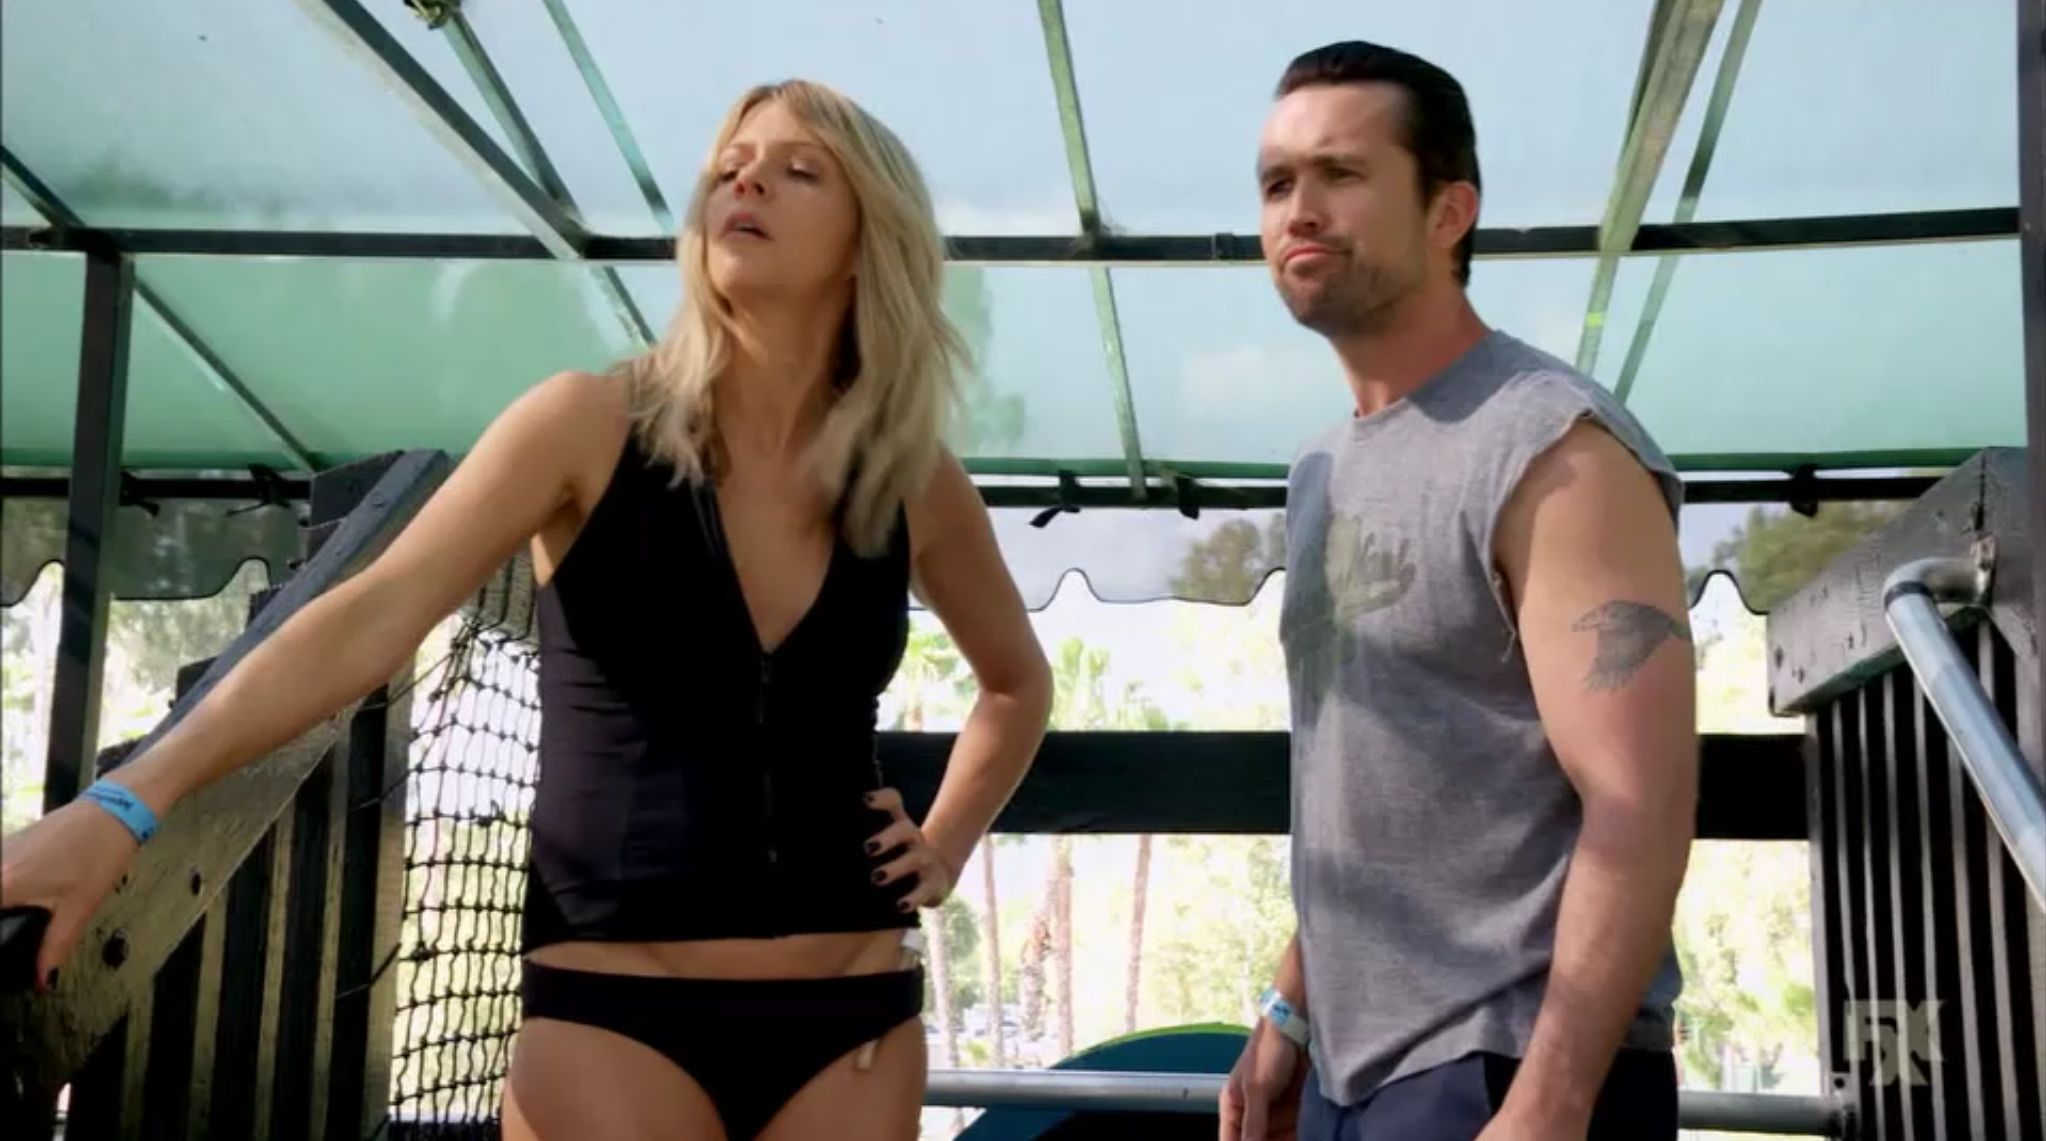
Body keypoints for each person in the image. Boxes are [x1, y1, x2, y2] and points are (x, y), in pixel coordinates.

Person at [0, 79, 1053, 1141]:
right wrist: (122, 806)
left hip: (855, 1018)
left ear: (871, 240)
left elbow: (1016, 684)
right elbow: (371, 614)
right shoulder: (584, 424)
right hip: (615, 1020)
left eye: (799, 169)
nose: (746, 182)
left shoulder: (914, 480)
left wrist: (946, 843)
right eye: (730, 166)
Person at [1219, 41, 1698, 1141]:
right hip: (1354, 1074)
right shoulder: (1320, 468)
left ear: (1450, 212)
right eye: (1277, 183)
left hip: (1511, 1066)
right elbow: (1372, 781)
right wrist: (1292, 1008)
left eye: (1341, 174)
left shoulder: (1553, 444)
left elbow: (1641, 800)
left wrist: (1551, 1100)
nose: (1299, 210)